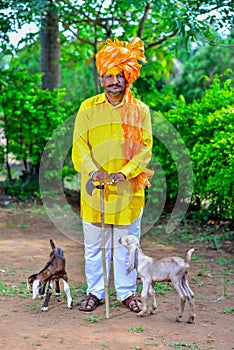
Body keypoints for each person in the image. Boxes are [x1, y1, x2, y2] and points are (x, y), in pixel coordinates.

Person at [72, 37, 153, 312]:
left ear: (127, 76)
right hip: (95, 189)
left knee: (126, 246)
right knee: (94, 246)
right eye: (109, 75)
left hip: (129, 191)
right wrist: (94, 172)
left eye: (120, 74)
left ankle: (126, 293)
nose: (114, 80)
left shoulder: (140, 110)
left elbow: (145, 148)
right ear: (101, 78)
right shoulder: (87, 108)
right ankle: (95, 292)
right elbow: (80, 144)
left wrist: (125, 173)